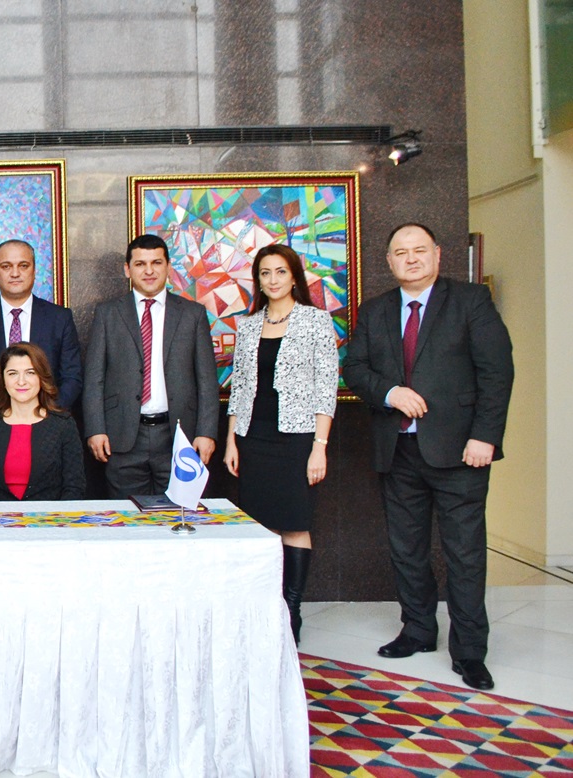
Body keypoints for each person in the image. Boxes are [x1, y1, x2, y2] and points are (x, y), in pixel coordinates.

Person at [342, 223, 513, 691]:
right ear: (389, 261)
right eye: (401, 252)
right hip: (398, 449)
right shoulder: (376, 310)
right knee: (407, 549)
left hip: (461, 452)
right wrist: (391, 392)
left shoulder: (470, 301)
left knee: (465, 554)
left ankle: (470, 651)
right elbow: (355, 367)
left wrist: (485, 438)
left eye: (419, 250)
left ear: (437, 254)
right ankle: (418, 630)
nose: (411, 259)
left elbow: (497, 373)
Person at [222, 244, 338, 645]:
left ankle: (292, 609)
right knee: (262, 527)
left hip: (297, 437)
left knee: (294, 523)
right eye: (265, 273)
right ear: (258, 280)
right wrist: (231, 440)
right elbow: (239, 387)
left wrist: (319, 446)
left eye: (280, 271)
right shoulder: (248, 326)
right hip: (254, 437)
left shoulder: (315, 321)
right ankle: (265, 609)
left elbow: (326, 388)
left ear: (294, 277)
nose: (273, 280)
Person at [83, 234, 219, 498]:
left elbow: (206, 380)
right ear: (127, 269)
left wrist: (206, 432)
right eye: (140, 264)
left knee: (178, 515)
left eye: (156, 263)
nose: (149, 271)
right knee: (128, 518)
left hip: (179, 437)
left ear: (168, 267)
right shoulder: (108, 313)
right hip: (122, 438)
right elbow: (94, 378)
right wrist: (96, 429)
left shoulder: (192, 314)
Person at [0, 239, 83, 421]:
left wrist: (48, 416)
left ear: (34, 270)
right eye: (6, 266)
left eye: (23, 266)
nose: (15, 273)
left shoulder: (59, 318)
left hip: (48, 424)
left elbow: (72, 377)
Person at [0, 342, 85, 501]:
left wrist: (55, 515)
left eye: (30, 372)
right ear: (3, 379)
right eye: (12, 373)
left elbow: (74, 487)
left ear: (41, 377)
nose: (21, 381)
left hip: (50, 515)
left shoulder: (63, 424)